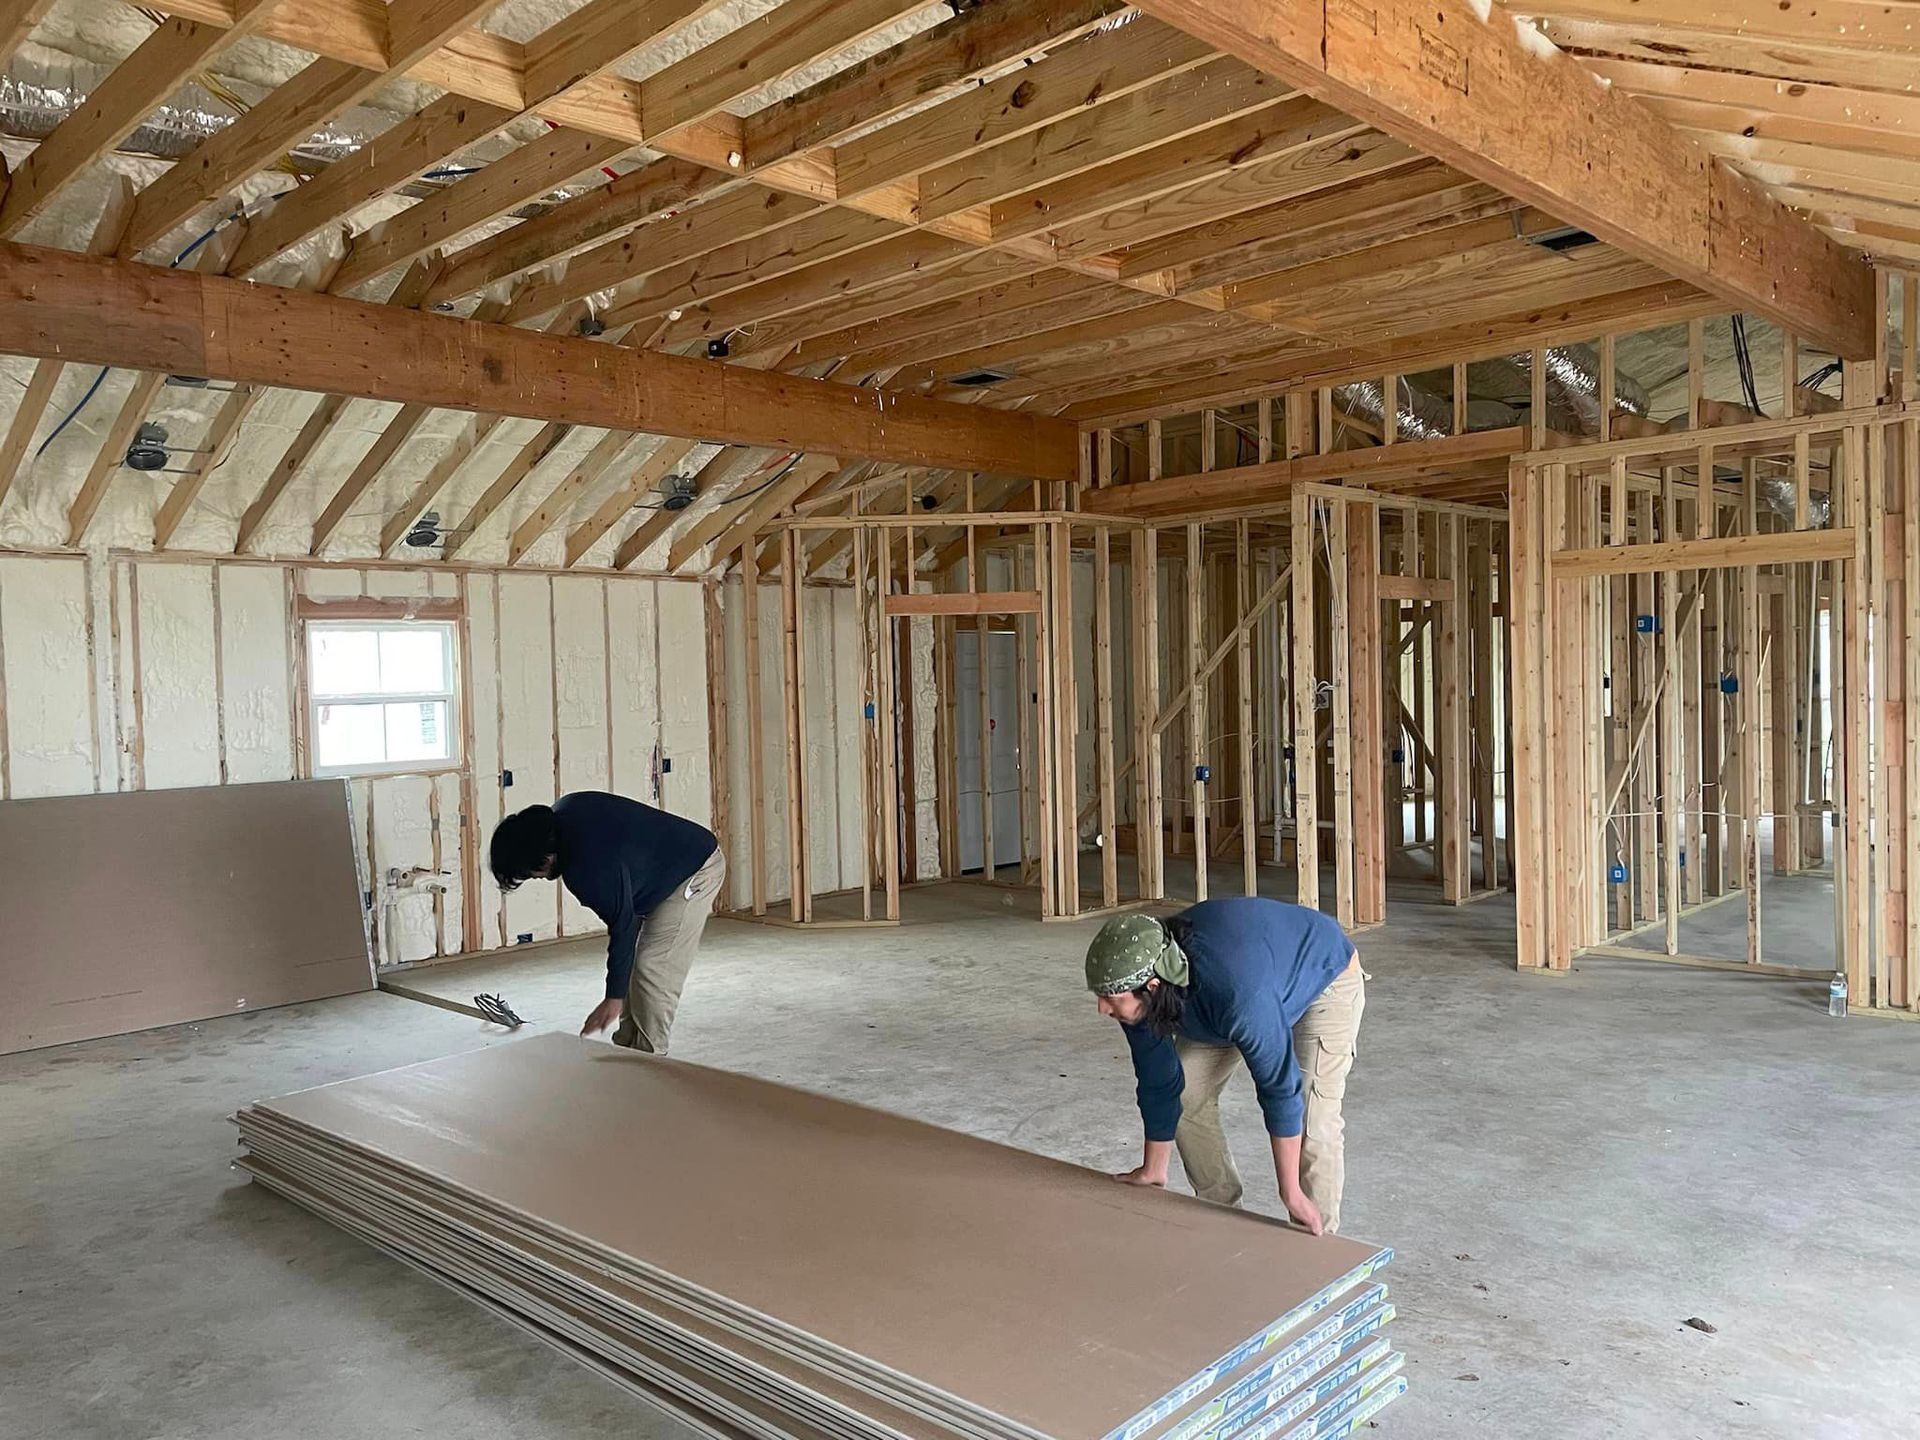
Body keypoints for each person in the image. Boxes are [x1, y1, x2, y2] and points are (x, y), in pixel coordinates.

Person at [1084, 897, 1364, 1235]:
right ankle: (1223, 1220)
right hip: (1240, 984)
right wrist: (1154, 1168)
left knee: (1312, 1118)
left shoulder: (1237, 995)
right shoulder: (1140, 979)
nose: (1102, 1008)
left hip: (1322, 977)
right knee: (1187, 1092)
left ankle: (1317, 1249)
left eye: (1112, 998)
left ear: (1153, 987)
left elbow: (1279, 1088)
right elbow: (1158, 1077)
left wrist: (1289, 1192)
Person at [490, 791, 726, 1053]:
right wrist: (618, 989)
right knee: (637, 964)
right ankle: (627, 1051)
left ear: (545, 857)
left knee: (654, 965)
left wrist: (613, 998)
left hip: (696, 869)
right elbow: (627, 916)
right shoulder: (566, 810)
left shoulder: (586, 870)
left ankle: (653, 1062)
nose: (540, 878)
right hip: (664, 872)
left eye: (532, 874)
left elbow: (623, 926)